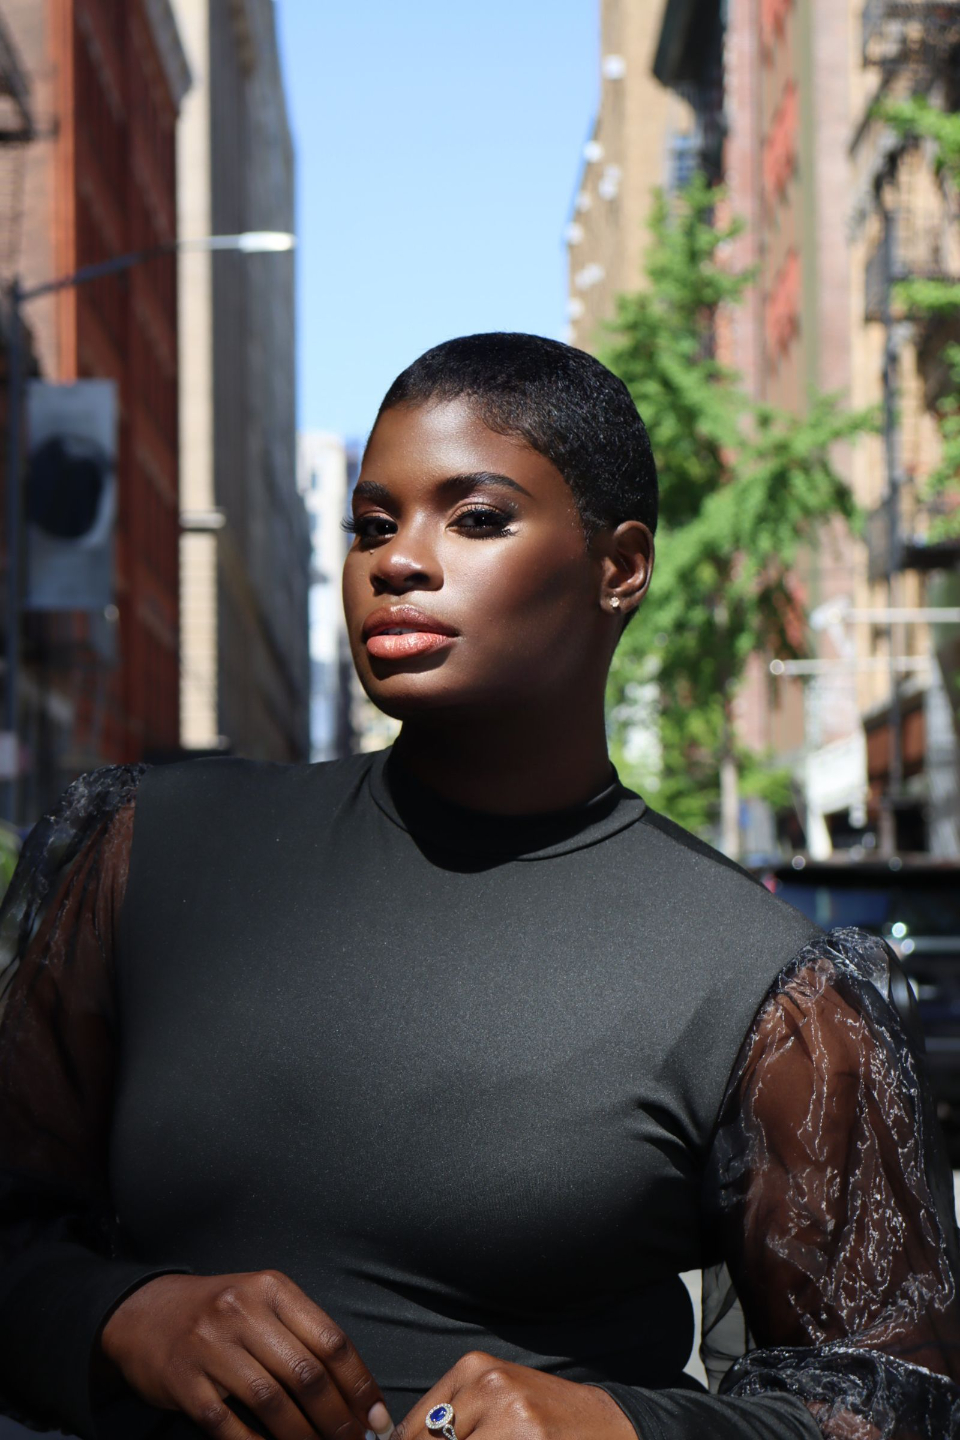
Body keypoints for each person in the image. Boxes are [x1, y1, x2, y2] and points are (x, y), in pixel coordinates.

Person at [0, 333, 958, 1440]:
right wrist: (127, 1318)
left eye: (477, 518)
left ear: (620, 568)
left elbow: (892, 1397)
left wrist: (620, 1427)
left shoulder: (767, 988)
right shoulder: (144, 856)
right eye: (372, 525)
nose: (398, 562)